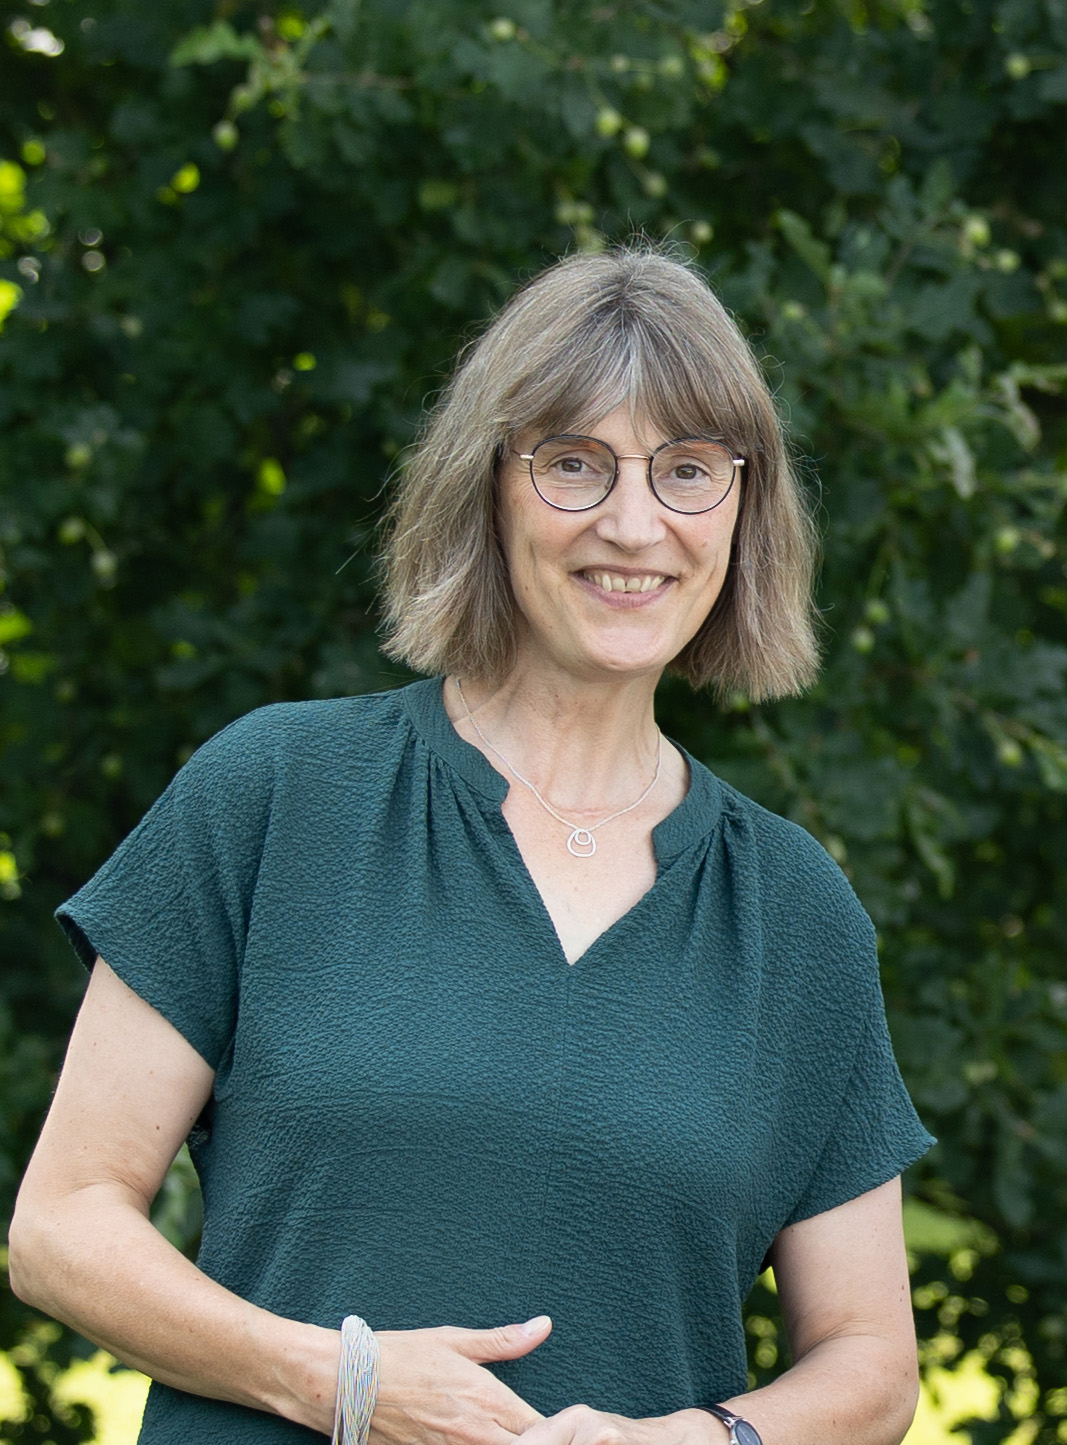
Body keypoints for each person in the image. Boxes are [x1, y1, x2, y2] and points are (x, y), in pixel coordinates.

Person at [9, 244, 933, 1445]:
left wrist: (691, 1441)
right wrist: (333, 1379)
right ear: (487, 488)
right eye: (572, 464)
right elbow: (61, 1225)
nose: (633, 522)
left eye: (688, 471)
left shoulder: (794, 912)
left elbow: (870, 1360)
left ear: (743, 511)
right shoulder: (277, 793)